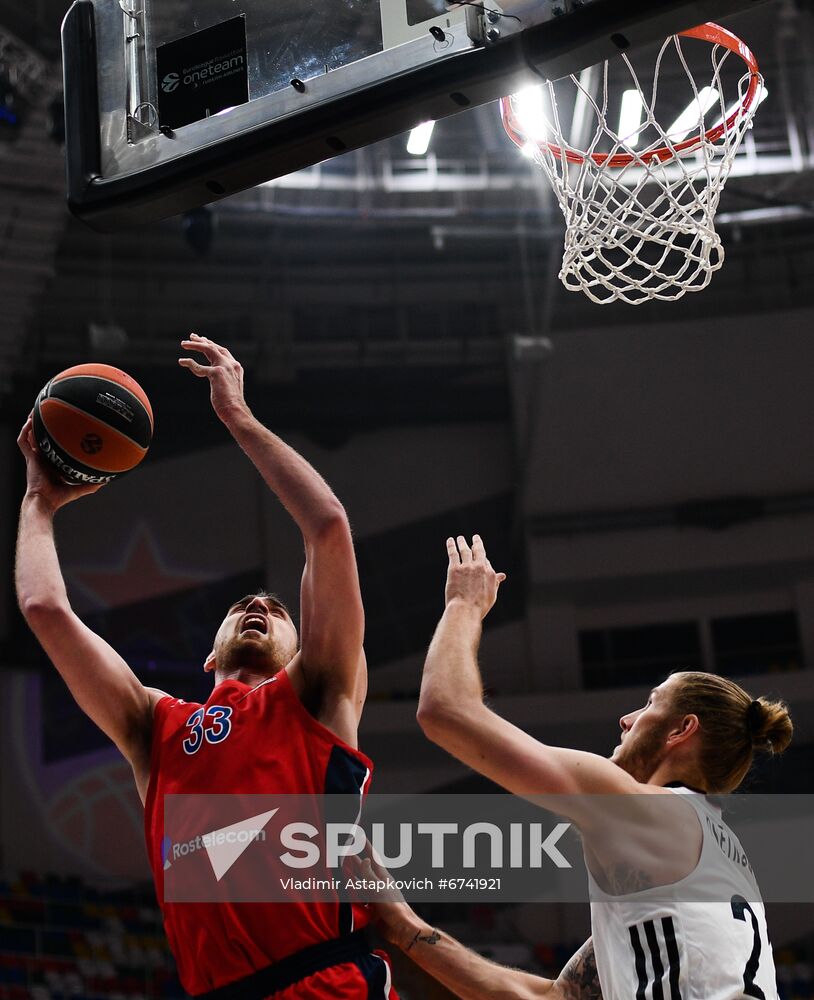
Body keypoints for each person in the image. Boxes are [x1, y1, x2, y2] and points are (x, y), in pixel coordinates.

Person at [15, 334, 397, 1000]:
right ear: (209, 654)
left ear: (300, 647)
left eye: (276, 611)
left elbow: (328, 526)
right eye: (245, 605)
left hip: (325, 985)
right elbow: (45, 607)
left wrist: (239, 420)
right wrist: (38, 503)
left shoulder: (317, 696)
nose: (258, 605)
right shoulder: (154, 728)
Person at [396, 532, 793, 1000]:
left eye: (649, 703)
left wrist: (464, 603)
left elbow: (445, 711)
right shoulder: (711, 867)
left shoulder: (649, 814)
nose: (625, 719)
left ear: (680, 730)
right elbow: (556, 998)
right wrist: (403, 927)